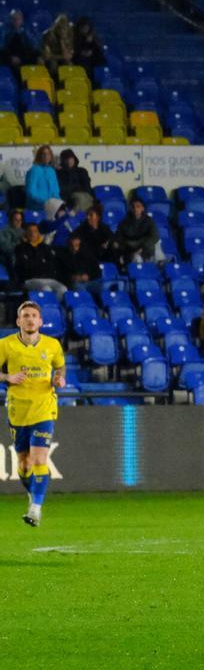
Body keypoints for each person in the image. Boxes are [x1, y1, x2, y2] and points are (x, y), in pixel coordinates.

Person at [0, 301, 65, 526]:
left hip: (44, 409)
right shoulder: (6, 345)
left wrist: (59, 378)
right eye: (25, 315)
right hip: (18, 412)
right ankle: (32, 493)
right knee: (24, 464)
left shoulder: (52, 345)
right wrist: (8, 377)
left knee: (39, 458)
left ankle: (35, 508)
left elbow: (60, 366)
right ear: (18, 321)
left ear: (40, 321)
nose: (30, 319)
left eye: (34, 315)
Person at [15, 222, 66, 298]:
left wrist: (37, 264)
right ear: (26, 233)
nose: (32, 234)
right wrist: (42, 263)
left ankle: (55, 308)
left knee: (63, 289)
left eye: (35, 231)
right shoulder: (20, 248)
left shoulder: (45, 247)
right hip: (30, 279)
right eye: (30, 231)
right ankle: (46, 308)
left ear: (38, 233)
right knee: (46, 289)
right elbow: (25, 266)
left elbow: (52, 264)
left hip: (48, 278)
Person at [114, 198, 161, 265]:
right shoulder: (125, 222)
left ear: (143, 208)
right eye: (133, 207)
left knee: (156, 243)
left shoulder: (149, 221)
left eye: (138, 206)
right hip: (131, 246)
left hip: (144, 245)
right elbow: (119, 236)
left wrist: (142, 248)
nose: (135, 209)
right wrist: (116, 242)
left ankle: (161, 263)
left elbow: (155, 236)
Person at [25, 145, 62, 217]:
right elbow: (30, 193)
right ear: (39, 156)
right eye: (43, 154)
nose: (46, 156)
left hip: (51, 207)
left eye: (48, 154)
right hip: (37, 207)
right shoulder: (34, 170)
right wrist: (46, 202)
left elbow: (56, 192)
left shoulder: (52, 171)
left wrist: (60, 204)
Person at [60, 232, 101, 296]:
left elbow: (97, 271)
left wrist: (88, 277)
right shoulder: (64, 255)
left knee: (102, 284)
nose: (75, 248)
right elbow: (62, 273)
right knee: (78, 287)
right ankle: (85, 304)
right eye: (72, 245)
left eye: (77, 245)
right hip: (76, 283)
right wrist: (73, 277)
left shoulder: (88, 254)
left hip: (91, 281)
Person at [56, 149, 94, 213]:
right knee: (79, 198)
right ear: (63, 161)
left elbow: (87, 187)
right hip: (68, 198)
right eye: (66, 159)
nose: (69, 161)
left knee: (82, 198)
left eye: (71, 158)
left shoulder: (82, 171)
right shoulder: (59, 173)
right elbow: (61, 189)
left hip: (85, 196)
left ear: (74, 159)